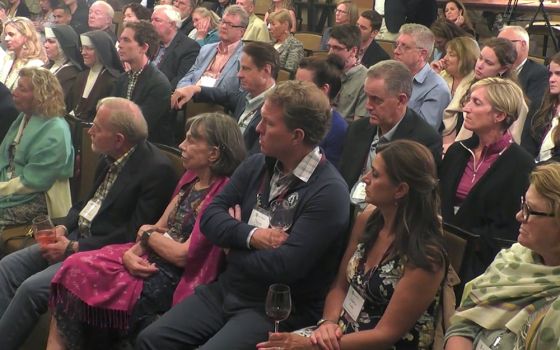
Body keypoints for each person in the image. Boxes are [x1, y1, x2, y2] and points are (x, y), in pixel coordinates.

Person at [136, 81, 351, 349]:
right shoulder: (257, 164)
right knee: (151, 339)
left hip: (275, 310)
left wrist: (229, 247)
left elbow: (285, 267)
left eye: (268, 124)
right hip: (227, 289)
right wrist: (251, 235)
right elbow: (210, 216)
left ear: (296, 136)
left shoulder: (328, 193)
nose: (257, 129)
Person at [47, 112, 247, 348]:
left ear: (213, 153)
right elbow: (158, 227)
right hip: (150, 257)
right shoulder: (190, 179)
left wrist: (147, 236)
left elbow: (183, 254)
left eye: (192, 141)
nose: (181, 145)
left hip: (174, 274)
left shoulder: (222, 193)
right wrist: (131, 253)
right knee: (74, 267)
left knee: (86, 282)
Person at [0, 97, 177, 350]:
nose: (90, 131)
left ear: (118, 139)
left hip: (97, 256)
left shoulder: (157, 171)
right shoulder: (109, 156)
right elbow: (84, 203)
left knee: (30, 290)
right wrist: (63, 228)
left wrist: (72, 248)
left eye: (97, 127)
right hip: (72, 235)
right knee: (7, 267)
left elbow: (130, 236)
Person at [259, 140, 445, 350]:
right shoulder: (368, 219)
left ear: (400, 190)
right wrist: (328, 323)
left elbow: (386, 335)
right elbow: (340, 285)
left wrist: (313, 346)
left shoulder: (426, 256)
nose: (365, 179)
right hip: (340, 334)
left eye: (375, 175)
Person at [445, 162, 560, 349]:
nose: (519, 216)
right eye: (523, 205)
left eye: (530, 210)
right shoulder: (512, 260)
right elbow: (464, 324)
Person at [440, 77, 535, 284]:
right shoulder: (458, 151)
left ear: (499, 115)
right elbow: (437, 199)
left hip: (481, 268)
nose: (466, 108)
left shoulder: (521, 165)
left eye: (476, 103)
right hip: (437, 253)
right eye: (468, 101)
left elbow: (509, 228)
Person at [339, 60, 441, 209]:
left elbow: (413, 203)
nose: (368, 106)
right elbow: (343, 181)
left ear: (401, 100)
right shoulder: (357, 129)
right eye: (367, 96)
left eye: (376, 100)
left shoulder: (424, 141)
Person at [0, 67, 74, 234]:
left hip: (40, 198)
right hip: (13, 187)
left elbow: (34, 182)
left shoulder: (56, 130)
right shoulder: (25, 116)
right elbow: (6, 158)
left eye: (22, 89)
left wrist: (1, 188)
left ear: (40, 96)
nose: (14, 92)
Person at [171, 41, 277, 154]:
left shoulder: (276, 110)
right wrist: (194, 89)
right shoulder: (246, 96)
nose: (239, 75)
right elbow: (225, 95)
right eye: (240, 68)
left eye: (246, 69)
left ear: (266, 70)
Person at [453, 38, 526, 144]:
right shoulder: (467, 83)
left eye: (488, 63)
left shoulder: (512, 99)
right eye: (480, 58)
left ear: (503, 69)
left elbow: (512, 139)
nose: (479, 65)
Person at [112, 20, 173, 145]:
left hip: (148, 149)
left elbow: (140, 126)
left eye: (126, 40)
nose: (120, 45)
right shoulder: (122, 79)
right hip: (122, 142)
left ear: (144, 48)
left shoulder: (159, 84)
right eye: (120, 39)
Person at [498, 26, 549, 155]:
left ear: (523, 44)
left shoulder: (539, 74)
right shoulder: (497, 70)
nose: (499, 49)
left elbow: (531, 115)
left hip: (519, 143)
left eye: (505, 43)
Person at [175, 5, 247, 92]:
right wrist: (185, 91)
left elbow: (239, 94)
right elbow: (186, 78)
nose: (223, 26)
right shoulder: (206, 49)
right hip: (191, 99)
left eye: (230, 24)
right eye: (223, 21)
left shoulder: (245, 58)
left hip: (217, 103)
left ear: (242, 32)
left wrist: (199, 92)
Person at [393, 23, 451, 131]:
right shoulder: (392, 77)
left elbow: (422, 134)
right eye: (396, 45)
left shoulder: (437, 89)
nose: (396, 51)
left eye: (404, 47)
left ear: (422, 54)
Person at [295, 55, 348, 166]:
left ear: (323, 90)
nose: (294, 90)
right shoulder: (291, 115)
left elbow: (326, 172)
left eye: (302, 86)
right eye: (295, 83)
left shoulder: (338, 129)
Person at [430, 37, 479, 150]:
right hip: (434, 135)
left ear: (465, 58)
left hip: (460, 142)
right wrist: (432, 76)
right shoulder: (440, 76)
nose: (445, 58)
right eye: (446, 53)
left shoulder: (476, 85)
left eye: (451, 55)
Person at [67, 30, 123, 120]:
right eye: (82, 48)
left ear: (101, 50)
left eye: (89, 48)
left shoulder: (113, 80)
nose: (83, 52)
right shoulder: (81, 76)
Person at [151, 5, 200, 87]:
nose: (152, 23)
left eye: (157, 20)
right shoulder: (150, 42)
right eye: (151, 20)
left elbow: (180, 81)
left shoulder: (189, 47)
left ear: (172, 24)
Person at [327, 24, 367, 123]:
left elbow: (359, 125)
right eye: (330, 47)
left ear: (353, 51)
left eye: (337, 48)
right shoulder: (327, 71)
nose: (330, 53)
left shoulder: (366, 80)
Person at [0, 17, 47, 91]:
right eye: (5, 35)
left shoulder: (35, 65)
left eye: (11, 34)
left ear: (26, 36)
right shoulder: (8, 58)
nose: (6, 39)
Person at [531, 53, 560, 162]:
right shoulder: (542, 104)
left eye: (558, 74)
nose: (551, 79)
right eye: (550, 74)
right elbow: (529, 142)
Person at [43, 24, 85, 100]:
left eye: (51, 42)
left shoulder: (72, 74)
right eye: (45, 41)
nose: (46, 45)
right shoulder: (45, 66)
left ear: (63, 45)